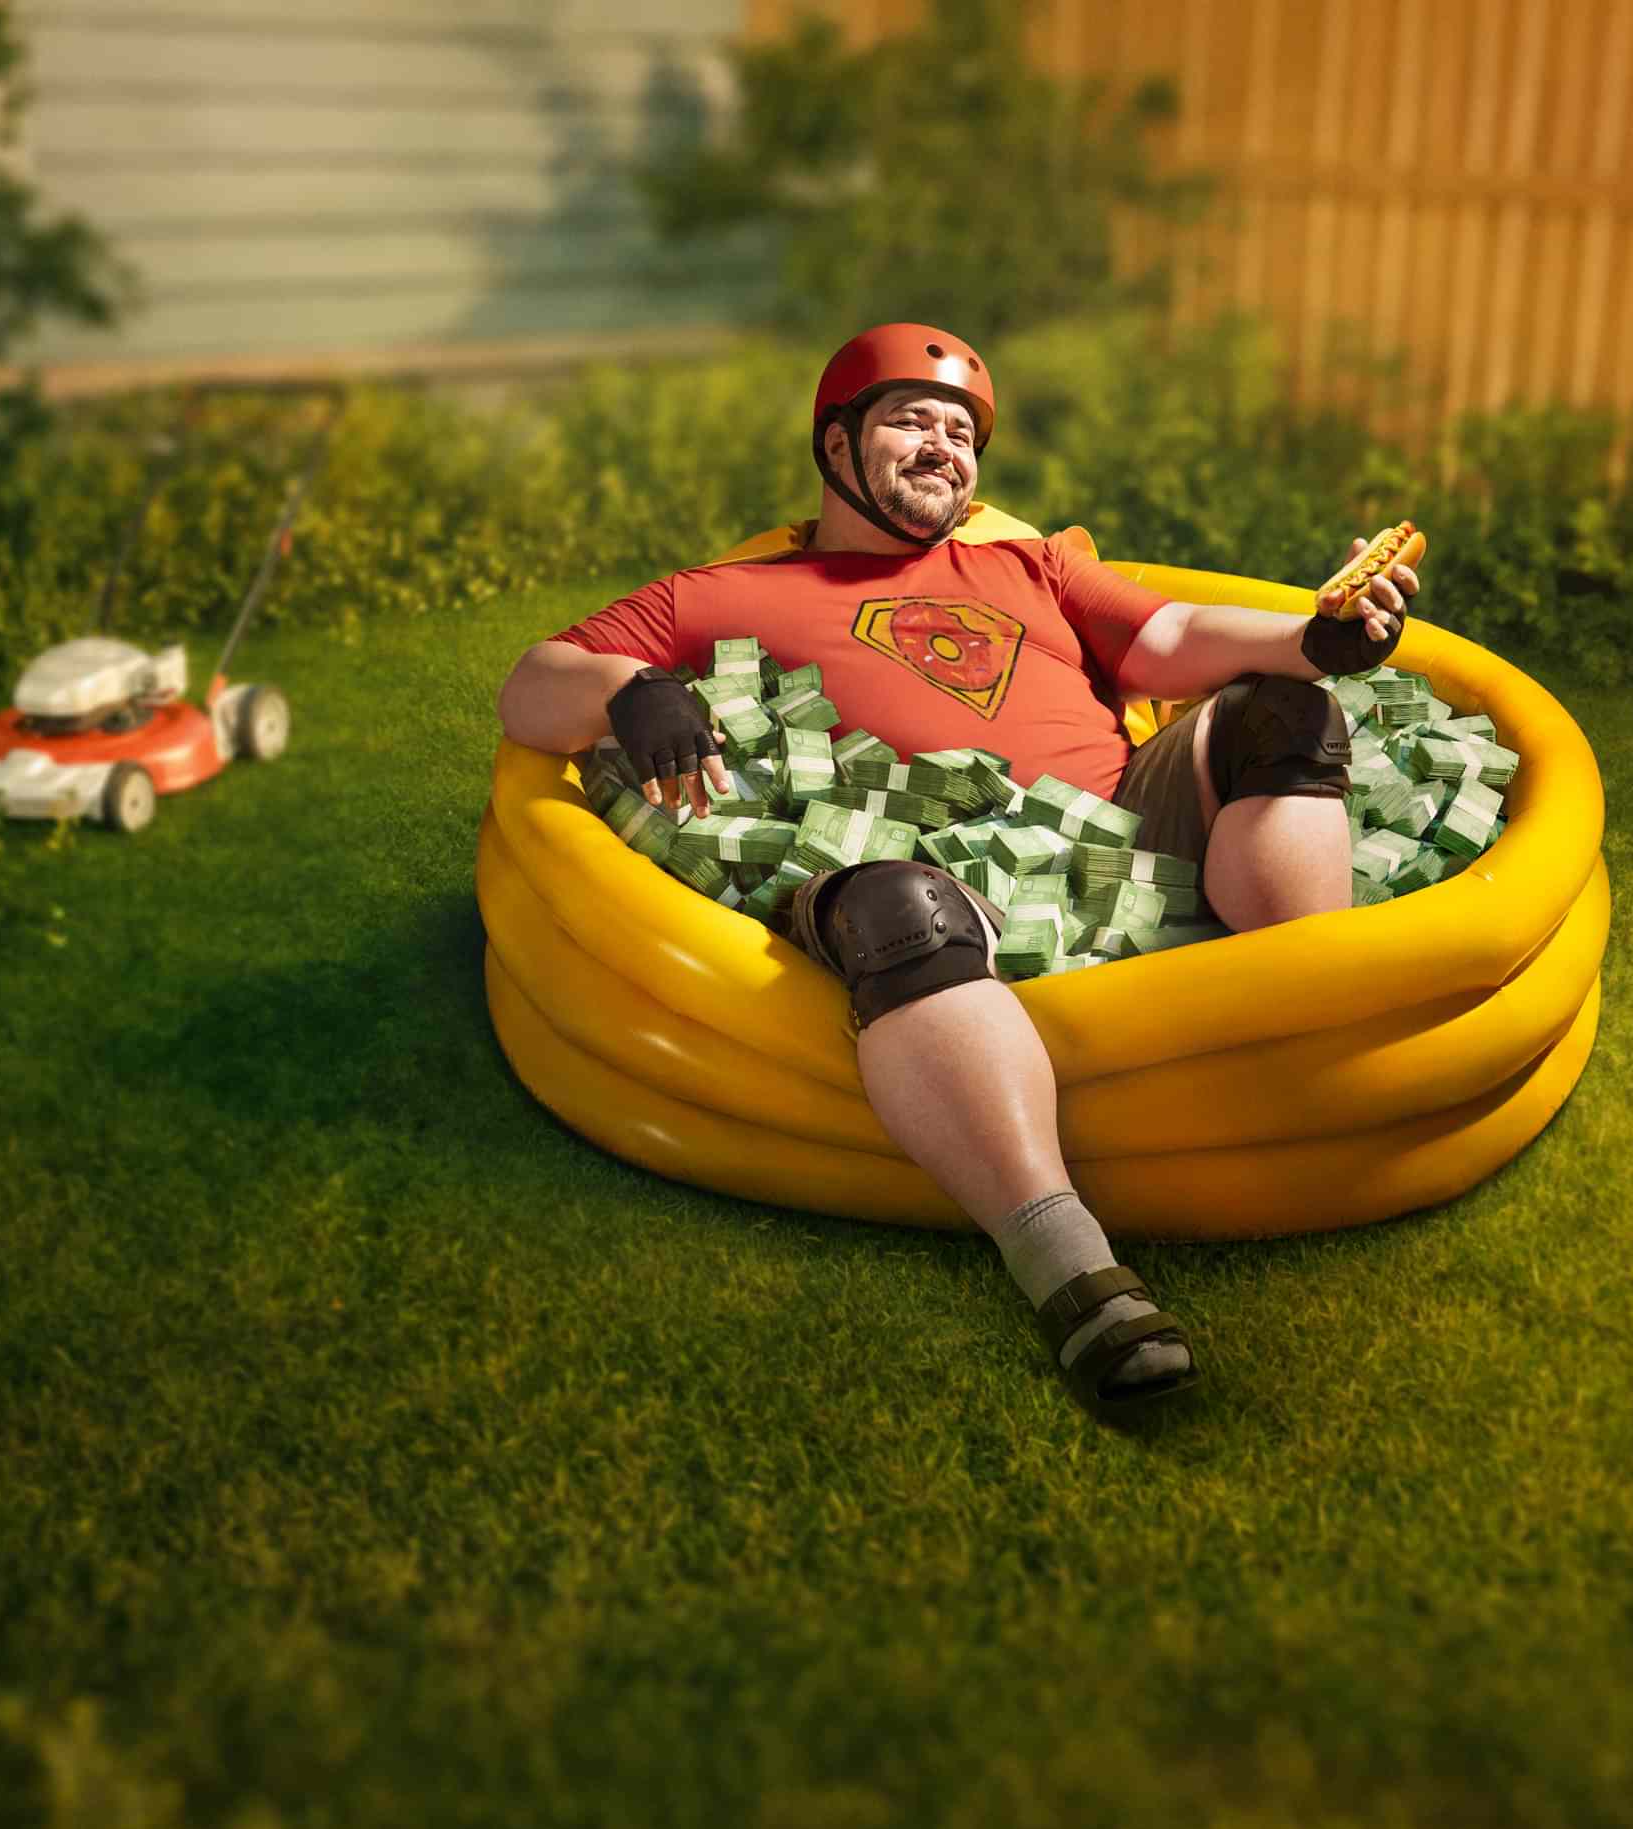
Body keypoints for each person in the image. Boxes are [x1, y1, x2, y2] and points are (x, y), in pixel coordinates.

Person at [496, 322, 1423, 1422]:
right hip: (930, 861)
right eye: (912, 422)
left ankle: (1309, 1028)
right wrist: (626, 688)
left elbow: (1170, 639)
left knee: (1290, 712)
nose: (945, 447)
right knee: (900, 911)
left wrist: (1311, 642)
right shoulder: (715, 594)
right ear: (835, 445)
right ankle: (1073, 1273)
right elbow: (531, 687)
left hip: (1126, 823)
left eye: (962, 434)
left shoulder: (1028, 565)